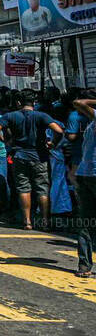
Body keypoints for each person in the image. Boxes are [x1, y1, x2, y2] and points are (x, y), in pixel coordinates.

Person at [1, 91, 64, 229]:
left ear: (18, 103)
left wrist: (8, 141)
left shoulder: (10, 116)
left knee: (23, 188)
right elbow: (59, 131)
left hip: (19, 156)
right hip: (39, 156)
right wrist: (52, 144)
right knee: (42, 188)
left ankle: (27, 221)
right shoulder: (42, 116)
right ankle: (45, 221)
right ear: (34, 103)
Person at [71, 94, 96, 277]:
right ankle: (84, 264)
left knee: (86, 221)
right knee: (86, 220)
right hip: (87, 173)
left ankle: (85, 265)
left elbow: (79, 103)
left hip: (88, 174)